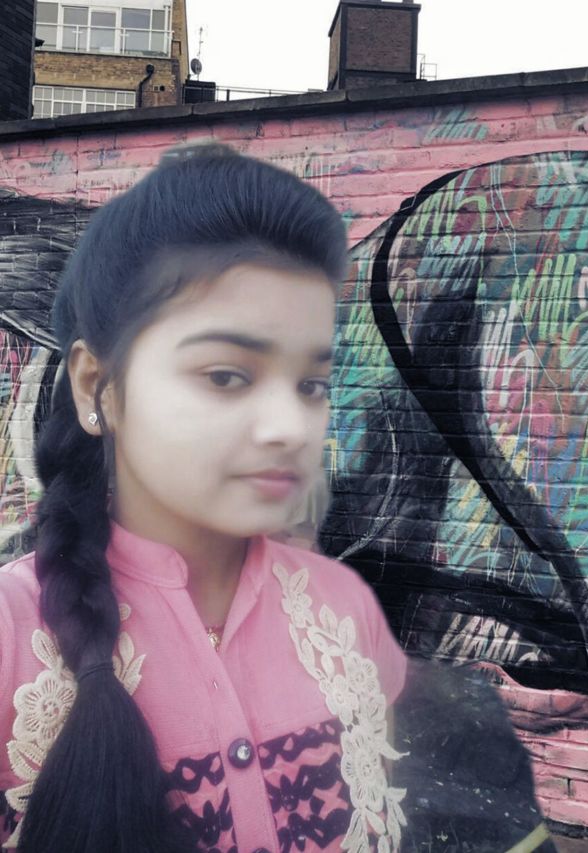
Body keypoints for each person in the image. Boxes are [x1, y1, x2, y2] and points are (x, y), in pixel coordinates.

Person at [0, 144, 408, 853]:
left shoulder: (345, 612)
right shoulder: (11, 634)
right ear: (98, 387)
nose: (289, 428)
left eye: (311, 383)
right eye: (225, 375)